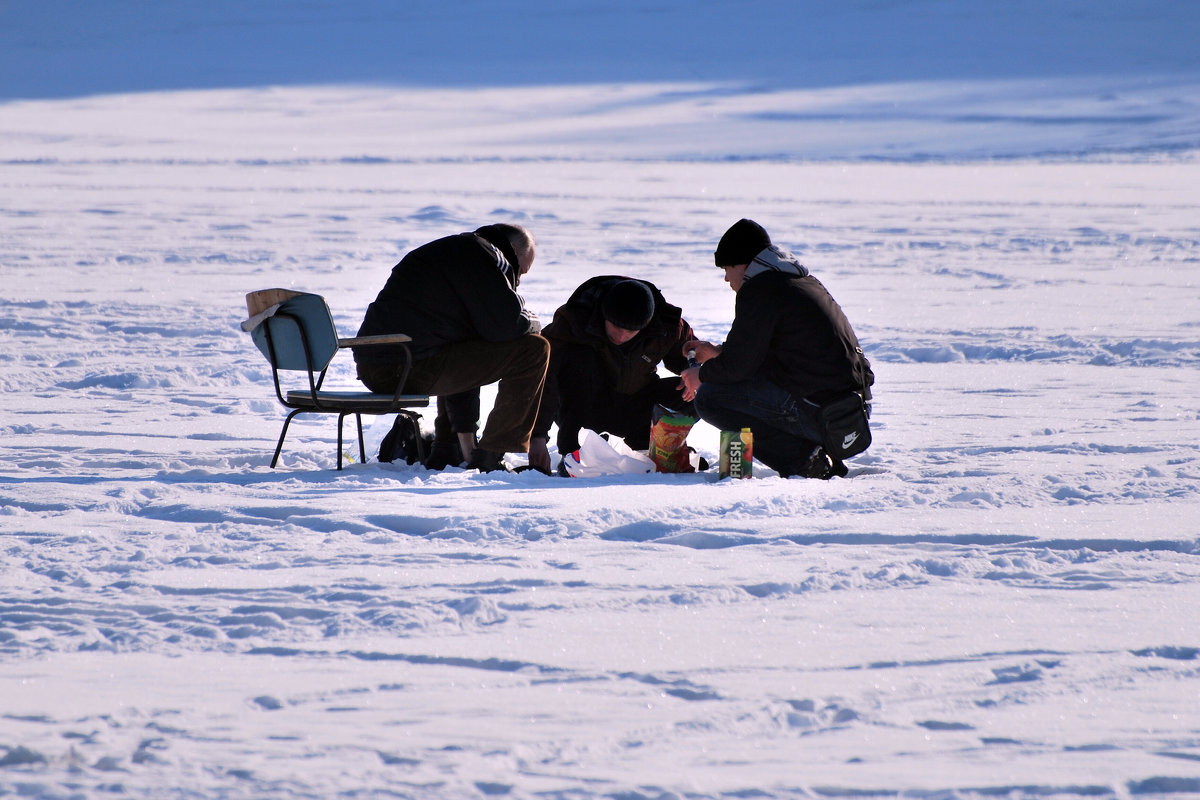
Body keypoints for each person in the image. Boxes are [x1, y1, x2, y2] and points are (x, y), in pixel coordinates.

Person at [680, 219, 874, 479]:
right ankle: (815, 457)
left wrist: (700, 375)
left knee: (712, 397)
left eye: (727, 267)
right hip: (849, 409)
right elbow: (762, 353)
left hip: (821, 412)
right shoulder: (796, 281)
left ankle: (804, 461)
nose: (726, 278)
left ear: (743, 263)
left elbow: (739, 367)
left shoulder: (760, 290)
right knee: (731, 387)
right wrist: (716, 352)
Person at [353, 223, 549, 473]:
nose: (517, 280)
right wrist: (535, 321)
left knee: (467, 344)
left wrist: (466, 445)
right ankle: (492, 455)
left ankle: (447, 448)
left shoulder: (451, 252)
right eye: (520, 270)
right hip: (406, 366)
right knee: (534, 349)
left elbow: (465, 353)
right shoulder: (485, 256)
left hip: (375, 366)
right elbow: (509, 324)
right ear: (510, 250)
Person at [527, 276, 696, 474]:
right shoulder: (573, 320)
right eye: (616, 326)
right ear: (603, 315)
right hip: (586, 408)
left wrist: (696, 371)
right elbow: (543, 378)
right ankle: (574, 453)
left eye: (632, 331)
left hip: (637, 404)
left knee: (701, 387)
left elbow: (692, 358)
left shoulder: (668, 325)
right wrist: (537, 436)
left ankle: (660, 449)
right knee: (579, 360)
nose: (622, 336)